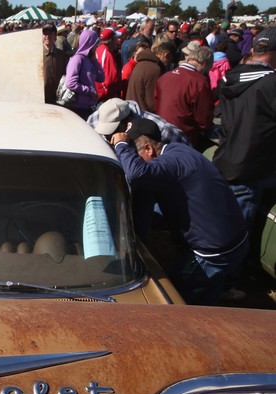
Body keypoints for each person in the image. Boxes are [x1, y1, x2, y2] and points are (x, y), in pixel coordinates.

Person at [110, 118, 248, 305]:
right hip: (232, 239)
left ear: (149, 149)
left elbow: (137, 173)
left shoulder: (171, 163)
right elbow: (145, 208)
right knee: (208, 296)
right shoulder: (180, 151)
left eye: (135, 155)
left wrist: (120, 145)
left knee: (174, 300)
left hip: (212, 252)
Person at [212, 27, 276, 231]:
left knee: (218, 234)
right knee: (228, 246)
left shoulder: (231, 76)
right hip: (249, 171)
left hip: (225, 161)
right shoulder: (270, 83)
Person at [154, 46, 214, 151]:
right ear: (204, 64)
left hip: (161, 129)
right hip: (184, 134)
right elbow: (203, 116)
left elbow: (156, 103)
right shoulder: (199, 82)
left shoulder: (164, 77)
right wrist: (208, 127)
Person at [63, 28, 104, 120]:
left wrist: (94, 61)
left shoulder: (89, 59)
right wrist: (89, 91)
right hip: (78, 107)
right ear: (89, 43)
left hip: (89, 106)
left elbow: (101, 78)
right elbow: (71, 83)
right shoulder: (77, 59)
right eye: (95, 43)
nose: (96, 46)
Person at [126, 40, 176, 112]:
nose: (169, 63)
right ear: (166, 55)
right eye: (170, 60)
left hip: (134, 111)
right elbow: (152, 102)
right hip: (143, 116)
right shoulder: (154, 69)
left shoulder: (142, 64)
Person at [42, 24, 69, 105]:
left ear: (55, 36)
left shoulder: (61, 55)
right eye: (45, 34)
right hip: (42, 100)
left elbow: (65, 75)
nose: (47, 36)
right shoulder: (36, 55)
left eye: (50, 34)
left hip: (57, 100)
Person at [95, 28, 121, 102]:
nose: (117, 41)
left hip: (98, 93)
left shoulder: (98, 49)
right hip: (104, 96)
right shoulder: (107, 54)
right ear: (111, 40)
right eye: (115, 38)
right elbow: (111, 79)